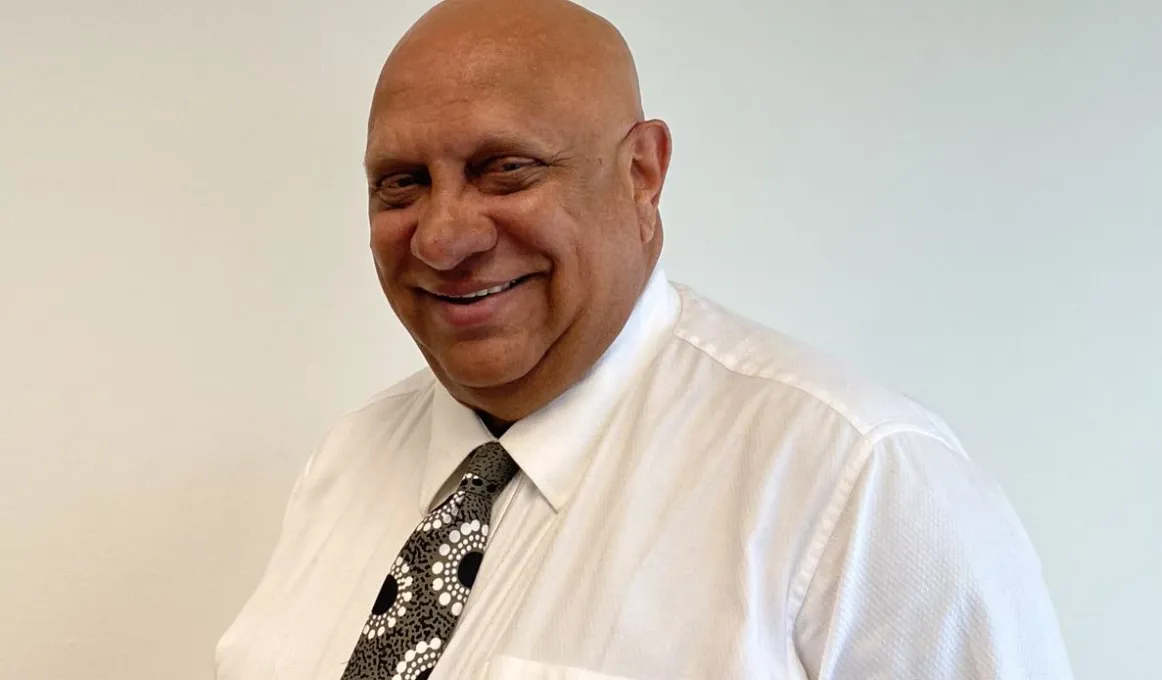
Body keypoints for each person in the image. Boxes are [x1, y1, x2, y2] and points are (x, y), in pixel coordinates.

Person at [216, 0, 1074, 678]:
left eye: (505, 169)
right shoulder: (348, 460)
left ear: (641, 176)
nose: (442, 238)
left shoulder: (859, 485)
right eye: (401, 185)